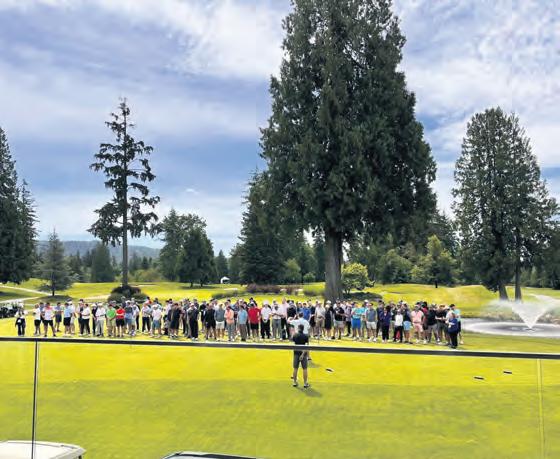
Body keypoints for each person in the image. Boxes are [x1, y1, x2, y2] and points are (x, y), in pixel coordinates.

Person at [291, 324, 310, 388]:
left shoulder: (295, 335)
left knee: (295, 368)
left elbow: (292, 341)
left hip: (296, 353)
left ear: (298, 328)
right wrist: (302, 354)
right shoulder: (306, 336)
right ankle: (305, 383)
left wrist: (292, 332)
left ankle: (294, 382)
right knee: (305, 369)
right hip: (303, 354)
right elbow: (307, 346)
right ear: (303, 329)